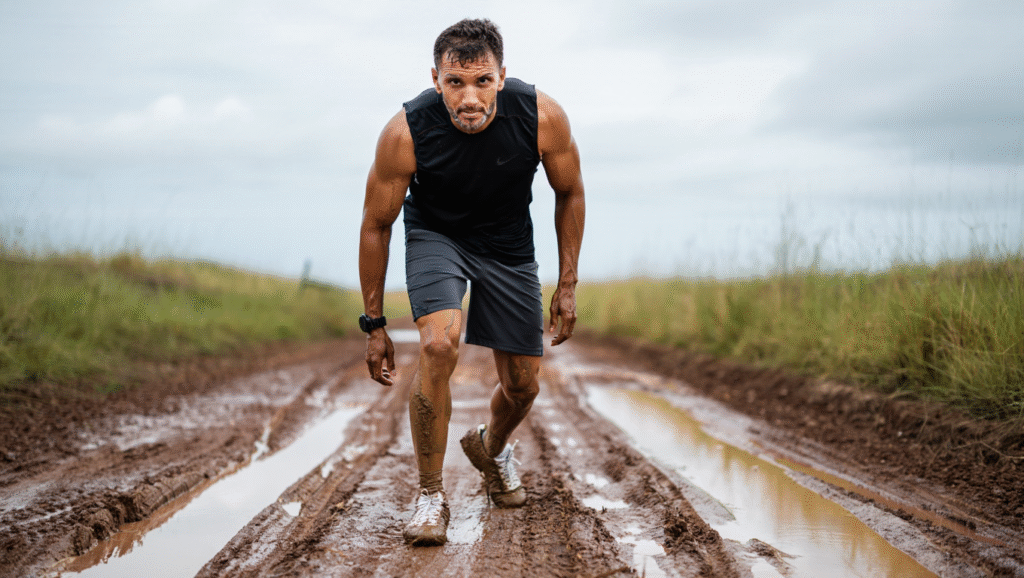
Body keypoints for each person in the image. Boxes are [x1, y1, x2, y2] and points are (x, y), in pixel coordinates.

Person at [358, 18, 585, 547]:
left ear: (502, 77)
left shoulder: (541, 116)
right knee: (439, 344)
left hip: (507, 246)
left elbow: (570, 192)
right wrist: (374, 324)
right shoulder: (405, 132)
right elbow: (377, 224)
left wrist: (567, 284)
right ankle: (431, 496)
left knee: (524, 384)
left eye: (482, 81)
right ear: (435, 80)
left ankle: (493, 447)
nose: (469, 97)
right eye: (455, 82)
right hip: (438, 235)